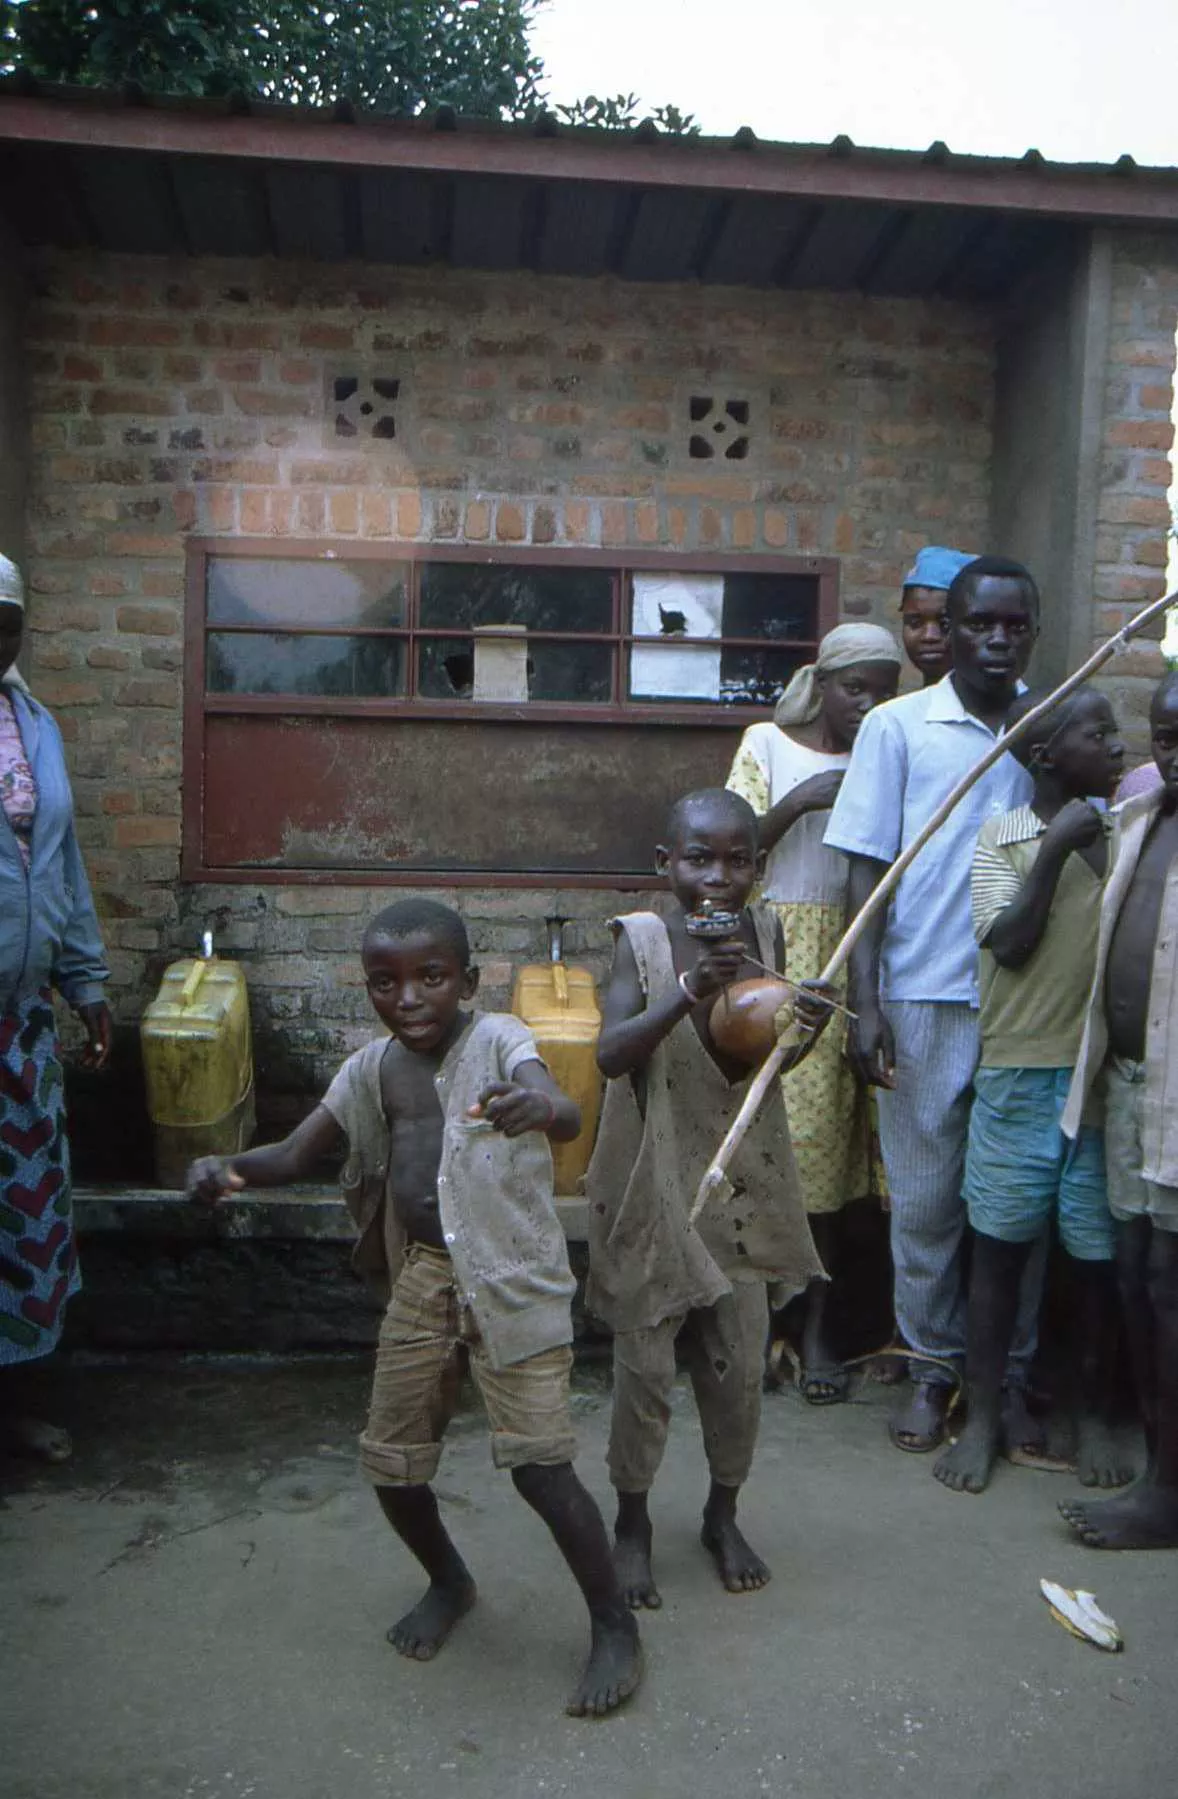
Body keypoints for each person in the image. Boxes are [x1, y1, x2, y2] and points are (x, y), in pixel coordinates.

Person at [189, 899, 642, 1716]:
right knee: (391, 1462)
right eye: (385, 982)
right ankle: (449, 1579)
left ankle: (614, 1625)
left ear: (468, 980)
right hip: (427, 1276)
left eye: (431, 977)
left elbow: (566, 1108)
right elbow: (297, 1152)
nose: (408, 998)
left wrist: (541, 1108)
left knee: (541, 1469)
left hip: (513, 1275)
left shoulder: (502, 1040)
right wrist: (227, 1167)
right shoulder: (370, 1071)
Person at [586, 788, 830, 1610]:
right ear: (667, 865)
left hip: (736, 1187)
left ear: (759, 869)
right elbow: (612, 1056)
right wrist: (690, 988)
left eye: (736, 861)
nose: (717, 879)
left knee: (736, 1369)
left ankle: (723, 1513)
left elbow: (760, 1068)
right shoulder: (645, 942)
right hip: (650, 1187)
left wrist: (811, 1029)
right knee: (645, 1368)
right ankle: (631, 1521)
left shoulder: (766, 935)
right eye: (699, 859)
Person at [824, 555, 1044, 1455]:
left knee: (1016, 1201)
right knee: (923, 1203)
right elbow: (866, 867)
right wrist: (862, 1001)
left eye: (1013, 625)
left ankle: (1010, 1376)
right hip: (918, 992)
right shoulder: (899, 726)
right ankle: (931, 1368)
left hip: (1027, 1003)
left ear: (1032, 631)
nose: (995, 639)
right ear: (944, 630)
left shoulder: (1045, 720)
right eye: (978, 623)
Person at [934, 687, 1133, 1495]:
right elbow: (1009, 944)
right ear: (1046, 755)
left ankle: (1087, 1413)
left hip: (1100, 1078)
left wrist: (1087, 842)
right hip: (1019, 1073)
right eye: (1100, 733)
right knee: (1000, 1255)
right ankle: (982, 1416)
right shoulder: (1003, 836)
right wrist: (1053, 849)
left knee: (1094, 1259)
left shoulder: (1133, 837)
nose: (1118, 746)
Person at [725, 622, 901, 1402]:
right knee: (770, 1147)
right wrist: (799, 801)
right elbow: (727, 849)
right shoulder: (766, 742)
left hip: (855, 954)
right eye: (853, 687)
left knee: (831, 1163)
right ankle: (762, 1324)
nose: (866, 704)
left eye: (881, 690)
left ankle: (824, 1326)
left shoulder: (887, 750)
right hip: (778, 951)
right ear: (821, 682)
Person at [1059, 670, 1178, 1550]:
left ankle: (1168, 1493)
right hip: (1131, 1084)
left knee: (1167, 1288)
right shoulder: (1143, 821)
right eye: (1166, 737)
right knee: (1136, 1279)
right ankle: (1160, 1470)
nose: (1174, 754)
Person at [1, 552, 112, 1462]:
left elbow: (62, 868)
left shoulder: (33, 723)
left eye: (8, 623)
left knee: (25, 1217)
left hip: (21, 1026)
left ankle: (14, 1405)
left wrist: (86, 982)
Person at [898, 546, 975, 687]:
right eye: (915, 623)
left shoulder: (1010, 708)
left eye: (945, 623)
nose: (929, 636)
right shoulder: (902, 708)